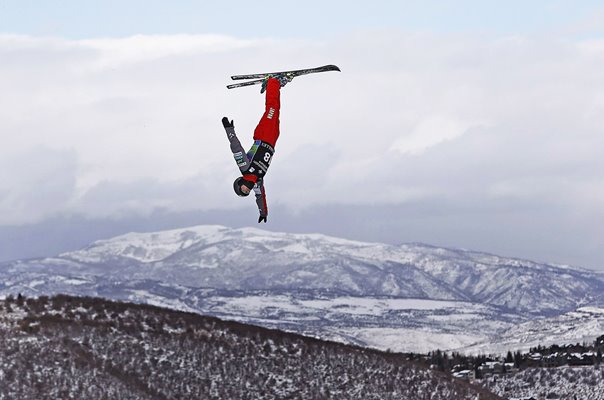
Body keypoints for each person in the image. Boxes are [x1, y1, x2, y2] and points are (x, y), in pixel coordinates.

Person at [222, 74, 292, 223]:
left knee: (272, 109)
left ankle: (273, 82)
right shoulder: (258, 182)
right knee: (275, 110)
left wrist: (229, 130)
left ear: (240, 183)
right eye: (246, 193)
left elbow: (237, 149)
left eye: (243, 190)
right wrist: (263, 213)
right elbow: (261, 197)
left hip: (263, 135)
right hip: (272, 140)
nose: (247, 190)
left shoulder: (245, 168)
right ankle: (273, 86)